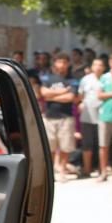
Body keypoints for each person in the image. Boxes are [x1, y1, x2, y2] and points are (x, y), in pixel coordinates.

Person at [40, 53, 77, 182]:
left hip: (66, 117)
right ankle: (51, 172)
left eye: (64, 62)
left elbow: (70, 97)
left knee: (65, 147)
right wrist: (62, 92)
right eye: (59, 62)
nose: (62, 65)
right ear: (55, 63)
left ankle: (62, 171)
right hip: (50, 117)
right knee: (50, 146)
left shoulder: (72, 79)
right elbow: (44, 93)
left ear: (68, 64)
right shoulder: (48, 78)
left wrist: (52, 96)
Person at [77, 59, 105, 177]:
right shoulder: (85, 79)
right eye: (95, 65)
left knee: (101, 144)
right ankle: (87, 170)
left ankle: (101, 170)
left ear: (104, 67)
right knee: (87, 144)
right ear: (92, 67)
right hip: (87, 116)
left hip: (103, 116)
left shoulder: (106, 79)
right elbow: (80, 95)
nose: (98, 67)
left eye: (100, 65)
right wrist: (81, 103)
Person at [97, 54, 112, 182]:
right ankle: (103, 172)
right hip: (105, 115)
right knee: (103, 145)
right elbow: (99, 95)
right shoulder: (104, 77)